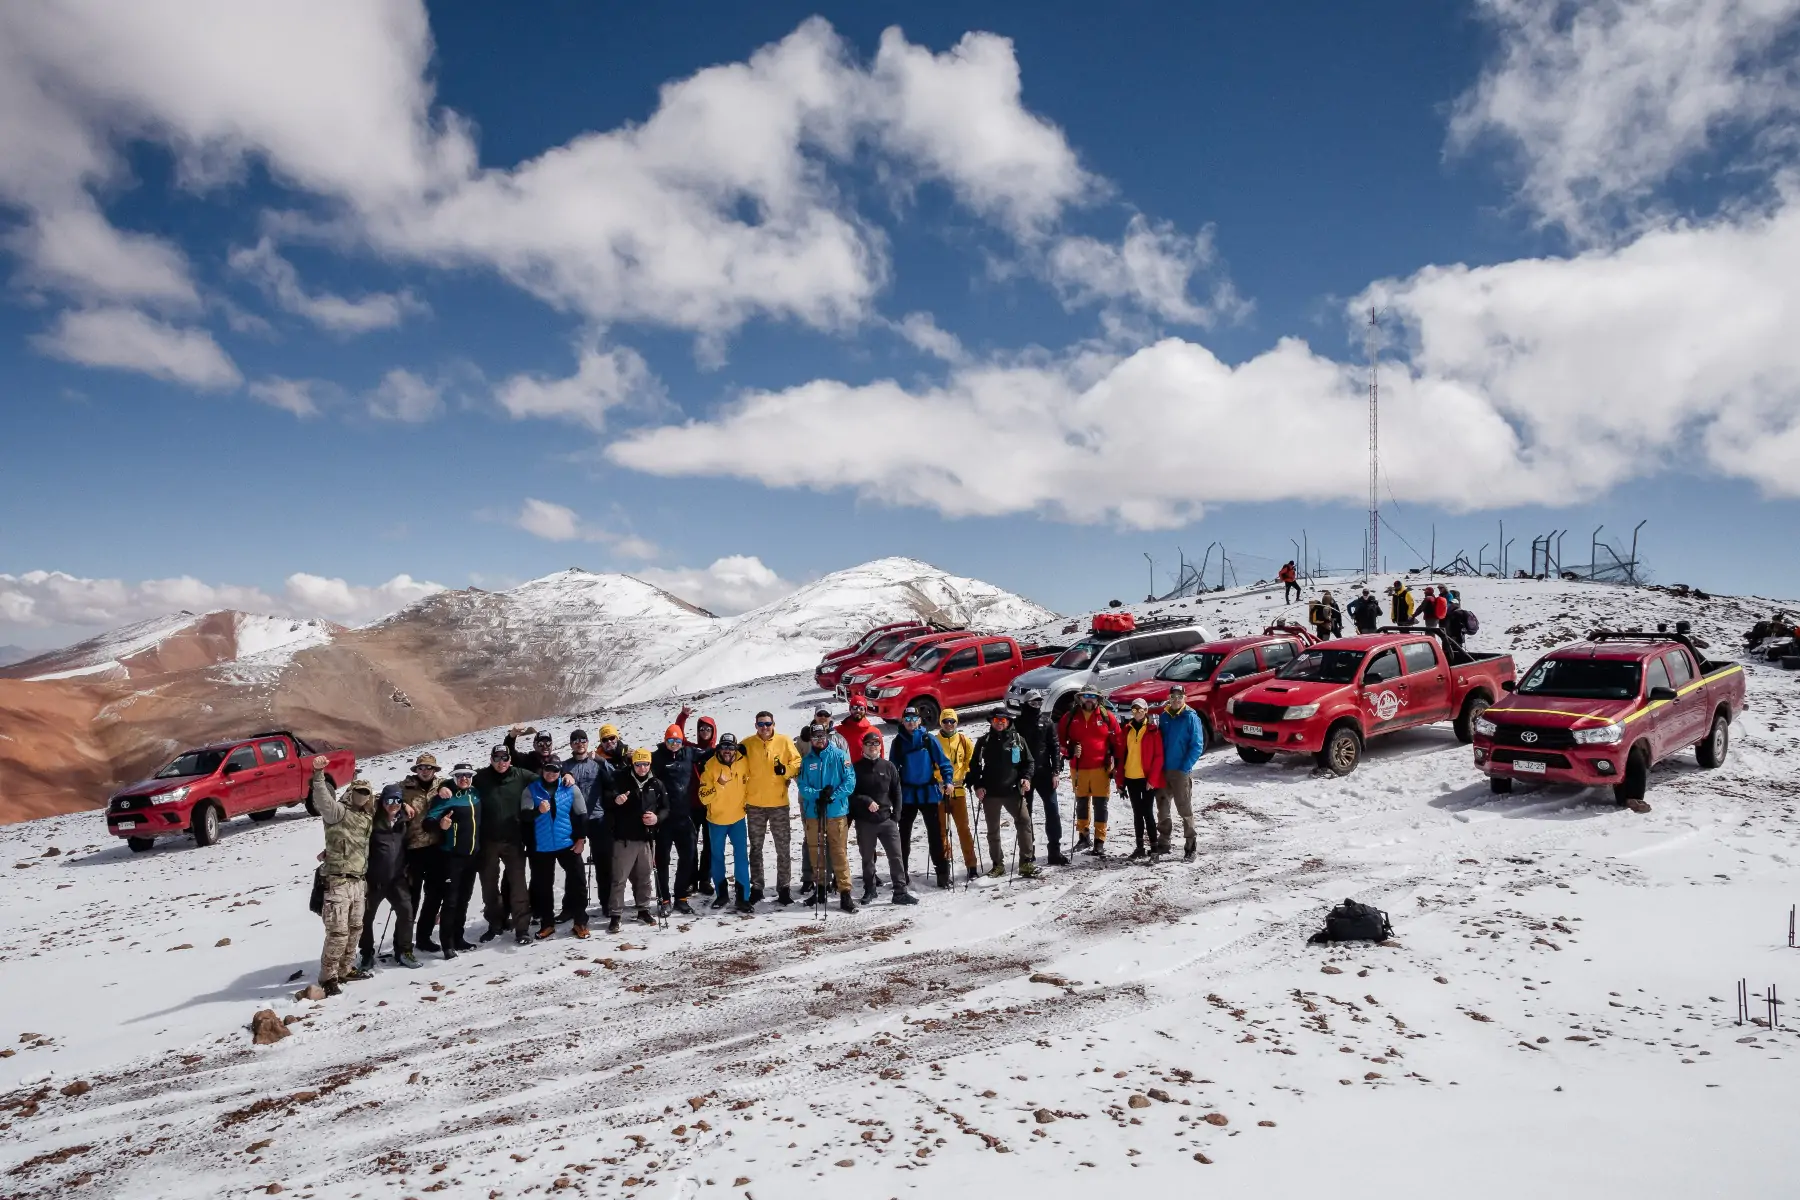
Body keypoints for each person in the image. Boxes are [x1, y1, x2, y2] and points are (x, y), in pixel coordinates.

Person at [310, 759, 374, 997]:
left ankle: (345, 969)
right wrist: (318, 774)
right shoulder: (337, 812)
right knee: (338, 932)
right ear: (351, 792)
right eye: (359, 791)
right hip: (338, 882)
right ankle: (328, 977)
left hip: (358, 881)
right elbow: (322, 799)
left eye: (367, 792)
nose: (363, 795)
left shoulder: (366, 817)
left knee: (356, 928)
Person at [473, 743, 532, 945]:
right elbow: (459, 784)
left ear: (510, 759)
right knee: (489, 885)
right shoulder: (480, 777)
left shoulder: (520, 775)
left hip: (513, 840)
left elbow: (547, 779)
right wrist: (445, 788)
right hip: (488, 841)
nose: (501, 763)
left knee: (518, 885)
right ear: (491, 759)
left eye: (504, 758)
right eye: (497, 758)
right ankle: (495, 924)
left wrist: (565, 777)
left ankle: (522, 928)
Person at [889, 707, 955, 888]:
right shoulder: (898, 743)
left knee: (936, 835)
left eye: (914, 718)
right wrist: (891, 792)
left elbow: (943, 762)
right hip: (907, 795)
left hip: (928, 793)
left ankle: (942, 873)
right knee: (903, 836)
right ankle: (902, 874)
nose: (911, 721)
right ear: (902, 721)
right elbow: (892, 770)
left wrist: (948, 781)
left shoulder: (928, 739)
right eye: (907, 718)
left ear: (919, 720)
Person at [524, 758, 589, 940]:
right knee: (543, 886)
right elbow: (525, 816)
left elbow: (582, 814)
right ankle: (547, 924)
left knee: (578, 882)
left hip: (566, 843)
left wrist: (581, 839)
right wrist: (538, 811)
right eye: (547, 770)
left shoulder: (570, 788)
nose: (551, 774)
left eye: (555, 770)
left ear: (560, 772)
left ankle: (580, 922)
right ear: (542, 770)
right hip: (542, 846)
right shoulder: (532, 789)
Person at [359, 783, 421, 971]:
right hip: (374, 880)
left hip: (397, 879)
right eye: (389, 800)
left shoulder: (404, 820)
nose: (393, 804)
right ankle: (367, 954)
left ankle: (404, 951)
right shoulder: (372, 820)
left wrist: (406, 804)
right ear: (382, 801)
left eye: (397, 800)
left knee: (406, 912)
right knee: (366, 918)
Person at [741, 711, 801, 905]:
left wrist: (786, 771)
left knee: (782, 848)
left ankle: (783, 888)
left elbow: (797, 762)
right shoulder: (747, 744)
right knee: (756, 848)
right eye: (761, 724)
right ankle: (757, 887)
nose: (765, 728)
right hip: (755, 804)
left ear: (774, 724)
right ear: (755, 725)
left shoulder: (784, 741)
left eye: (768, 724)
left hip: (778, 804)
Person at [797, 724, 858, 912]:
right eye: (815, 738)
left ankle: (845, 893)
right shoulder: (807, 761)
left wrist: (832, 795)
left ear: (827, 737)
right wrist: (818, 794)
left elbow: (850, 781)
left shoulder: (839, 755)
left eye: (821, 737)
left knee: (839, 853)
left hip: (835, 812)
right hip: (814, 813)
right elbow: (802, 785)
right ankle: (820, 888)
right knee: (816, 852)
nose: (819, 740)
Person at [969, 708, 1036, 878]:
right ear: (991, 721)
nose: (1000, 723)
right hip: (990, 793)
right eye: (996, 720)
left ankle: (1026, 863)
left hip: (1013, 791)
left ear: (1008, 721)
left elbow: (1029, 762)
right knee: (993, 831)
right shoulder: (984, 741)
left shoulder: (1017, 740)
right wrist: (978, 786)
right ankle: (998, 865)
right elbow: (974, 766)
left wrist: (1025, 778)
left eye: (1003, 720)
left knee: (1024, 822)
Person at [606, 748, 667, 933]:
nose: (642, 768)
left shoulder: (656, 783)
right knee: (619, 879)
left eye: (645, 764)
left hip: (647, 839)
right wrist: (615, 800)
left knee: (644, 877)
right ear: (633, 764)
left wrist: (657, 818)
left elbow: (666, 808)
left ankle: (643, 910)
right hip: (624, 839)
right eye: (638, 764)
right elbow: (606, 798)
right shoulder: (620, 779)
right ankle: (616, 915)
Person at [851, 731, 915, 905]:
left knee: (896, 856)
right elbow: (851, 793)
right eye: (869, 744)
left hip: (887, 820)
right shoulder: (856, 768)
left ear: (880, 746)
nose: (873, 747)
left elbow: (897, 792)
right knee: (867, 858)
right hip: (865, 822)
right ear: (863, 746)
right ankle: (870, 890)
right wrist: (866, 800)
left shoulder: (888, 767)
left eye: (876, 744)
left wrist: (896, 816)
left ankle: (900, 891)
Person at [426, 764, 481, 959]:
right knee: (450, 901)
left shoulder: (475, 793)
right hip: (452, 857)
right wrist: (440, 824)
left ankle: (459, 937)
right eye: (459, 776)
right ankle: (447, 944)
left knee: (464, 899)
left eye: (467, 775)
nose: (464, 779)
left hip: (472, 856)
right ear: (454, 778)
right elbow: (428, 820)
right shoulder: (447, 796)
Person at [1058, 686, 1120, 857]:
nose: (1089, 699)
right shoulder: (1069, 717)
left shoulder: (1107, 717)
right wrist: (1069, 751)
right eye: (1086, 696)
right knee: (1082, 803)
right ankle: (1083, 837)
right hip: (1078, 768)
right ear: (1080, 698)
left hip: (1101, 768)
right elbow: (1061, 742)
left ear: (1098, 699)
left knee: (1101, 804)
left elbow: (1118, 741)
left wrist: (1117, 762)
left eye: (1093, 696)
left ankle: (1100, 840)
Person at [699, 733, 754, 913]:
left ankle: (743, 897)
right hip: (717, 820)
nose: (727, 751)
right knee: (717, 857)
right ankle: (722, 894)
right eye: (724, 747)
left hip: (738, 817)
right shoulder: (710, 767)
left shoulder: (743, 761)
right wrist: (719, 784)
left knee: (741, 857)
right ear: (719, 748)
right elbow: (703, 797)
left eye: (731, 747)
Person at [650, 724, 701, 916]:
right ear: (665, 741)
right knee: (662, 861)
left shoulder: (688, 754)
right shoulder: (656, 757)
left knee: (687, 858)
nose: (674, 744)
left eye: (678, 741)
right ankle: (664, 899)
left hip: (684, 817)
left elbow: (709, 752)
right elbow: (639, 765)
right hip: (664, 818)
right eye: (670, 741)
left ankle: (681, 896)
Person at [400, 752, 445, 952]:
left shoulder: (443, 786)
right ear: (416, 770)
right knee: (411, 898)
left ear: (435, 770)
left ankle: (424, 938)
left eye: (429, 768)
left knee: (434, 895)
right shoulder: (404, 788)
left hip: (436, 847)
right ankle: (403, 943)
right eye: (421, 768)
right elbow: (383, 798)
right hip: (413, 849)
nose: (425, 771)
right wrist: (401, 803)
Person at [1014, 691, 1066, 865]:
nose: (1037, 706)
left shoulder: (1047, 721)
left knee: (1052, 810)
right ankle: (1029, 852)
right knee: (1025, 815)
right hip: (1025, 775)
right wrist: (1016, 774)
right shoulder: (1018, 723)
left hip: (1044, 771)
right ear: (1026, 704)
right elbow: (1014, 750)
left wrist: (1056, 771)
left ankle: (1055, 851)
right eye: (1033, 703)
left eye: (1039, 703)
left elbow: (1055, 747)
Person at [587, 724, 631, 923]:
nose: (609, 742)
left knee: (631, 862)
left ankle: (637, 901)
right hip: (606, 816)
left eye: (612, 738)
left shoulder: (629, 756)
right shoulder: (596, 760)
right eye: (605, 740)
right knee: (604, 864)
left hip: (628, 816)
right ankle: (607, 903)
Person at [1157, 685, 1205, 860]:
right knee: (1162, 807)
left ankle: (1190, 843)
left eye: (1179, 696)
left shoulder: (1191, 717)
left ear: (1185, 698)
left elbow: (1197, 745)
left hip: (1180, 771)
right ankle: (1164, 841)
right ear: (1169, 697)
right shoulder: (1164, 716)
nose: (1176, 700)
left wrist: (1185, 767)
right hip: (1163, 770)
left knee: (1184, 808)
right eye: (1173, 696)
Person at [933, 708, 981, 882]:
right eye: (946, 721)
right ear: (941, 723)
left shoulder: (963, 740)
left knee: (964, 830)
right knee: (941, 832)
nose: (949, 725)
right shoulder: (934, 741)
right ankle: (945, 866)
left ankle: (972, 866)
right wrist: (937, 781)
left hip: (958, 792)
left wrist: (966, 775)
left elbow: (971, 760)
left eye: (952, 721)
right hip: (940, 794)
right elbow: (929, 765)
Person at [1116, 699, 1165, 860]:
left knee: (1148, 813)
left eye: (1140, 710)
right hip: (1131, 777)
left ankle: (1154, 849)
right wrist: (1120, 781)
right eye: (1134, 710)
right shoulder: (1127, 730)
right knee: (1137, 813)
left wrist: (1152, 779)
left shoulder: (1153, 731)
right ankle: (1139, 848)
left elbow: (1158, 757)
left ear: (1146, 711)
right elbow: (1122, 757)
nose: (1137, 713)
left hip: (1146, 779)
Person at [837, 695, 881, 762]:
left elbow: (880, 757)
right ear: (850, 709)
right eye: (854, 707)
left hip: (867, 771)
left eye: (861, 708)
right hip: (846, 770)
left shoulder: (874, 732)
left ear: (865, 710)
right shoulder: (839, 731)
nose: (858, 710)